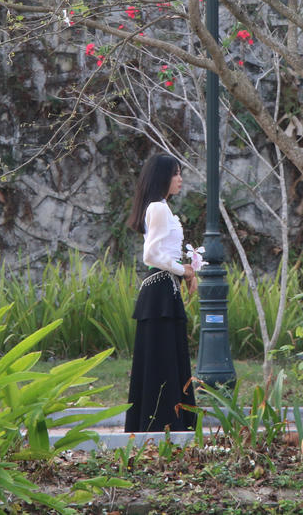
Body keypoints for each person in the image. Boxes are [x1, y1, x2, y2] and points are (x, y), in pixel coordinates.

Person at [124, 153, 199, 433]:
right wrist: (185, 271)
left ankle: (168, 423)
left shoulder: (162, 207)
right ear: (162, 177)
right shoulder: (158, 208)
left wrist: (186, 269)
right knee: (161, 360)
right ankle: (163, 424)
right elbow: (151, 254)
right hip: (159, 293)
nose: (180, 179)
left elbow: (162, 253)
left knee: (167, 358)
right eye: (175, 173)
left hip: (165, 291)